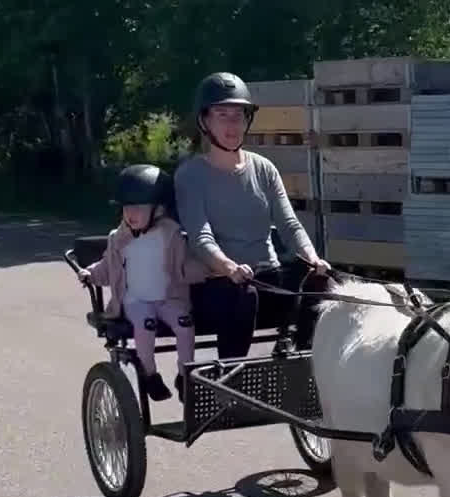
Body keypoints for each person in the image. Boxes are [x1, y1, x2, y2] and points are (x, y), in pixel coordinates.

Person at [174, 71, 331, 360]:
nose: (232, 124)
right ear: (204, 121)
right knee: (243, 294)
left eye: (239, 115)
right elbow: (200, 236)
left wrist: (314, 259)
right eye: (222, 115)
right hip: (218, 284)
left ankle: (300, 362)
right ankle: (231, 375)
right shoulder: (190, 175)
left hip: (266, 278)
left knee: (321, 282)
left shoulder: (264, 168)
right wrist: (229, 267)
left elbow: (289, 225)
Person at [83, 164, 194, 401]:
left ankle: (185, 376)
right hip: (136, 300)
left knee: (185, 324)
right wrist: (90, 273)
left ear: (159, 209)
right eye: (126, 208)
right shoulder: (119, 238)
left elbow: (187, 265)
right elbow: (106, 266)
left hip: (168, 298)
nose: (130, 214)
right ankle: (150, 375)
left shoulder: (172, 235)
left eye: (137, 208)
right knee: (146, 325)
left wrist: (211, 269)